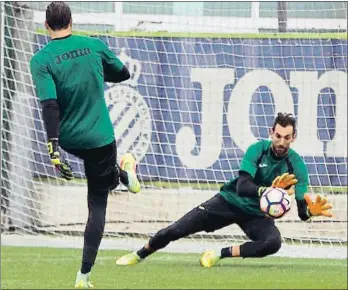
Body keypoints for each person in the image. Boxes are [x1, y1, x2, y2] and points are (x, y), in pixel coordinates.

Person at [116, 112, 333, 267]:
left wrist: (309, 212)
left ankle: (219, 254)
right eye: (277, 136)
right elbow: (242, 186)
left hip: (257, 214)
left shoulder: (298, 166)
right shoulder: (257, 150)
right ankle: (140, 254)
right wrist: (265, 192)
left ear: (293, 138)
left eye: (287, 138)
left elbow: (302, 211)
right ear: (271, 133)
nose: (281, 142)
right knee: (176, 230)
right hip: (229, 201)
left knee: (273, 243)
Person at [30, 2, 141, 288]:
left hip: (68, 140)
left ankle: (124, 175)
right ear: (71, 21)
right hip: (99, 138)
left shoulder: (41, 60)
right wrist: (93, 73)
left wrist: (53, 146)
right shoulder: (93, 45)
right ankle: (84, 277)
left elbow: (50, 105)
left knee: (103, 177)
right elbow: (122, 74)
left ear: (46, 26)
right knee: (98, 203)